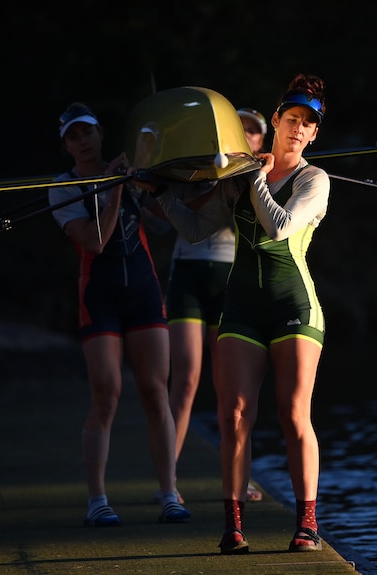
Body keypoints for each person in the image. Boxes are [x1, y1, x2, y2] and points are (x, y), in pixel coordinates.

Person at [134, 73, 330, 554]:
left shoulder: (314, 180)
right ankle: (233, 524)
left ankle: (306, 523)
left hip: (294, 306)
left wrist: (255, 179)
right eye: (291, 119)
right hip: (241, 304)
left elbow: (279, 228)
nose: (298, 129)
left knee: (291, 414)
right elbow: (196, 230)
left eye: (308, 124)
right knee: (234, 412)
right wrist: (159, 193)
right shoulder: (242, 176)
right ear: (278, 119)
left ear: (314, 134)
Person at [48, 102, 191, 527]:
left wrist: (149, 182)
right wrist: (113, 191)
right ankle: (98, 500)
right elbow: (94, 241)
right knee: (106, 394)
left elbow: (170, 223)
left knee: (154, 392)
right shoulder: (62, 187)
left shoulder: (125, 176)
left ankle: (169, 492)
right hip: (100, 295)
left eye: (87, 132)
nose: (83, 142)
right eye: (74, 136)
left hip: (144, 292)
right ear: (66, 146)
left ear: (100, 133)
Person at [163, 107, 269, 505]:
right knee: (187, 379)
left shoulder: (262, 174)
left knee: (232, 389)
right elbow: (171, 219)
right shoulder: (196, 167)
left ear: (260, 141)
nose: (247, 137)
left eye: (253, 133)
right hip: (186, 276)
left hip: (229, 278)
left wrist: (252, 176)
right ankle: (167, 481)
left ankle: (242, 479)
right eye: (240, 131)